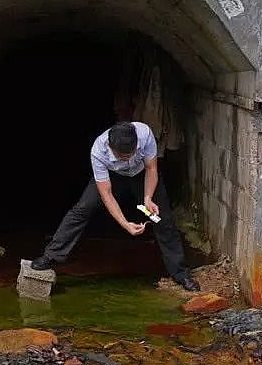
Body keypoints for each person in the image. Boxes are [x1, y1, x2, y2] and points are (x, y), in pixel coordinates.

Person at [31, 121, 199, 291]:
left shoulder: (144, 134)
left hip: (142, 174)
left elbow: (151, 168)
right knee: (82, 209)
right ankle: (51, 256)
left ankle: (180, 273)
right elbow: (106, 194)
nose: (128, 159)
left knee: (163, 219)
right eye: (123, 157)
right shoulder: (99, 150)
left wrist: (148, 198)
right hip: (113, 176)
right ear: (111, 147)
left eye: (131, 154)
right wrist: (125, 224)